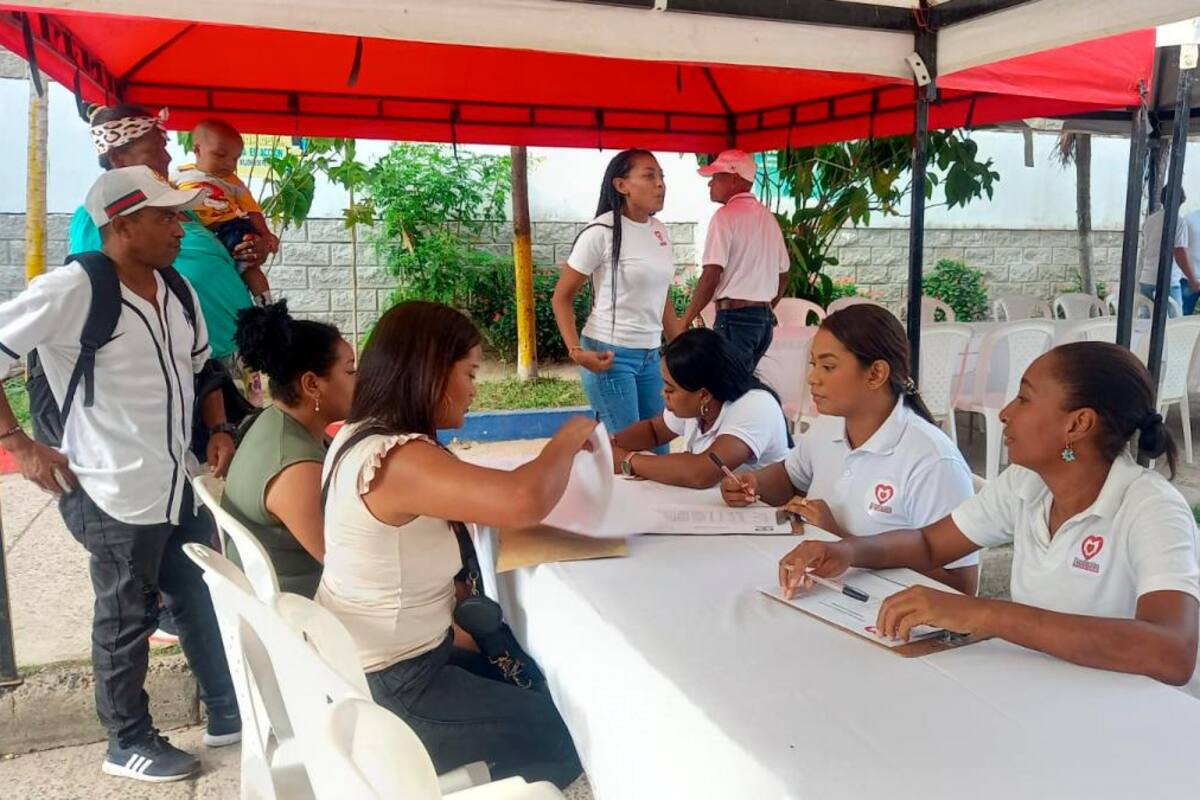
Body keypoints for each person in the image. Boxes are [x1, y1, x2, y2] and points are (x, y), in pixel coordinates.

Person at [0, 166, 241, 781]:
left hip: (175, 482)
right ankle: (127, 742)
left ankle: (225, 711)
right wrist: (20, 443)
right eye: (166, 217)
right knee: (126, 614)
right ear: (123, 224)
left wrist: (216, 429)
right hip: (108, 486)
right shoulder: (73, 290)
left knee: (196, 594)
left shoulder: (178, 289)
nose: (179, 229)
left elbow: (203, 368)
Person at [778, 342, 1200, 693]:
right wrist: (847, 550)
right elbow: (930, 543)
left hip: (1124, 724)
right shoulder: (1026, 484)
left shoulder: (1151, 508)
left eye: (1025, 398)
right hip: (1036, 690)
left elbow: (1171, 651)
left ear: (1078, 423)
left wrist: (988, 614)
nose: (1006, 413)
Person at [318, 301, 586, 788]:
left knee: (543, 687)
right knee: (571, 732)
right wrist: (568, 437)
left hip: (376, 665)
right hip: (396, 684)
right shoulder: (395, 459)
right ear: (432, 373)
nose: (474, 389)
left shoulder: (361, 435)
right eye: (469, 372)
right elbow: (524, 498)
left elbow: (480, 494)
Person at [722, 305, 980, 594]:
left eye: (828, 366)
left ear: (875, 374)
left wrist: (841, 540)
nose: (813, 378)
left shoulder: (932, 461)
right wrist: (753, 483)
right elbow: (789, 476)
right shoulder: (829, 427)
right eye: (813, 364)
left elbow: (961, 585)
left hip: (882, 613)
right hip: (822, 592)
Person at [69, 104, 269, 370]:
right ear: (117, 158)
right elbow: (99, 292)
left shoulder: (181, 206)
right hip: (186, 363)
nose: (167, 159)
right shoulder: (96, 218)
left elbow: (217, 261)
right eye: (154, 150)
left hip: (235, 351)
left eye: (165, 147)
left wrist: (249, 250)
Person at [219, 301, 356, 598]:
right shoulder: (295, 468)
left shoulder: (274, 420)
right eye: (351, 371)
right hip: (306, 620)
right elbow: (349, 568)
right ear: (311, 384)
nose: (360, 382)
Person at [551, 149, 682, 443]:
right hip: (609, 356)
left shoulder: (660, 232)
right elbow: (561, 297)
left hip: (651, 357)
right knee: (628, 451)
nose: (660, 184)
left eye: (662, 177)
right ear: (621, 185)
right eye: (649, 176)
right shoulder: (600, 232)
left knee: (659, 449)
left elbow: (663, 299)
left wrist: (684, 350)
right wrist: (577, 352)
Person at [609, 327, 789, 488]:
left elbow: (701, 473)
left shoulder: (756, 406)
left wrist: (629, 461)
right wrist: (608, 444)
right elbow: (654, 431)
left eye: (670, 389)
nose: (663, 393)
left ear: (704, 395)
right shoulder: (697, 407)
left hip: (765, 515)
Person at [681, 149, 790, 371]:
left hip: (735, 319)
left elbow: (711, 275)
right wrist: (766, 308)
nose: (710, 184)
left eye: (716, 177)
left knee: (728, 390)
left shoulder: (725, 217)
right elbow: (784, 274)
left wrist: (685, 320)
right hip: (763, 322)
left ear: (733, 179)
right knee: (743, 385)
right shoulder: (767, 217)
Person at [173, 118, 277, 303]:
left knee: (249, 264)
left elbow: (252, 209)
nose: (229, 164)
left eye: (235, 158)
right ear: (197, 150)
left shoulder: (233, 182)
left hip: (231, 226)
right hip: (199, 230)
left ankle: (266, 303)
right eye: (220, 155)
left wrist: (265, 233)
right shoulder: (179, 176)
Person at [1138, 188, 1195, 316]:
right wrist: (1192, 280)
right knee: (1175, 325)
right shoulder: (1179, 222)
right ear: (1180, 201)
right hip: (1168, 281)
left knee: (1145, 324)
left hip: (1147, 279)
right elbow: (1179, 252)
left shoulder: (1150, 220)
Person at [1183, 204, 1200, 316]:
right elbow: (1181, 249)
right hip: (1189, 278)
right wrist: (1192, 278)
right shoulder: (1189, 219)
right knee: (1184, 317)